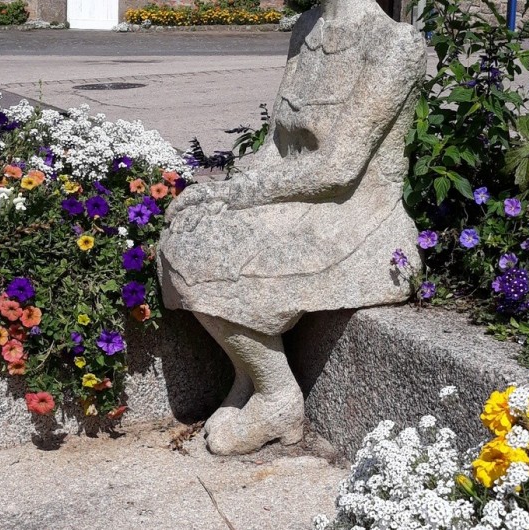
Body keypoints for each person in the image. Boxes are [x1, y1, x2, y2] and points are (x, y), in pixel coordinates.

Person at [158, 0, 426, 455]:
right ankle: (250, 376)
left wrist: (237, 196)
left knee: (200, 257)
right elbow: (276, 148)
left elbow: (337, 167)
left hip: (352, 216)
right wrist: (224, 189)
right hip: (293, 198)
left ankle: (278, 396)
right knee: (186, 230)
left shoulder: (395, 44)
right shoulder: (308, 27)